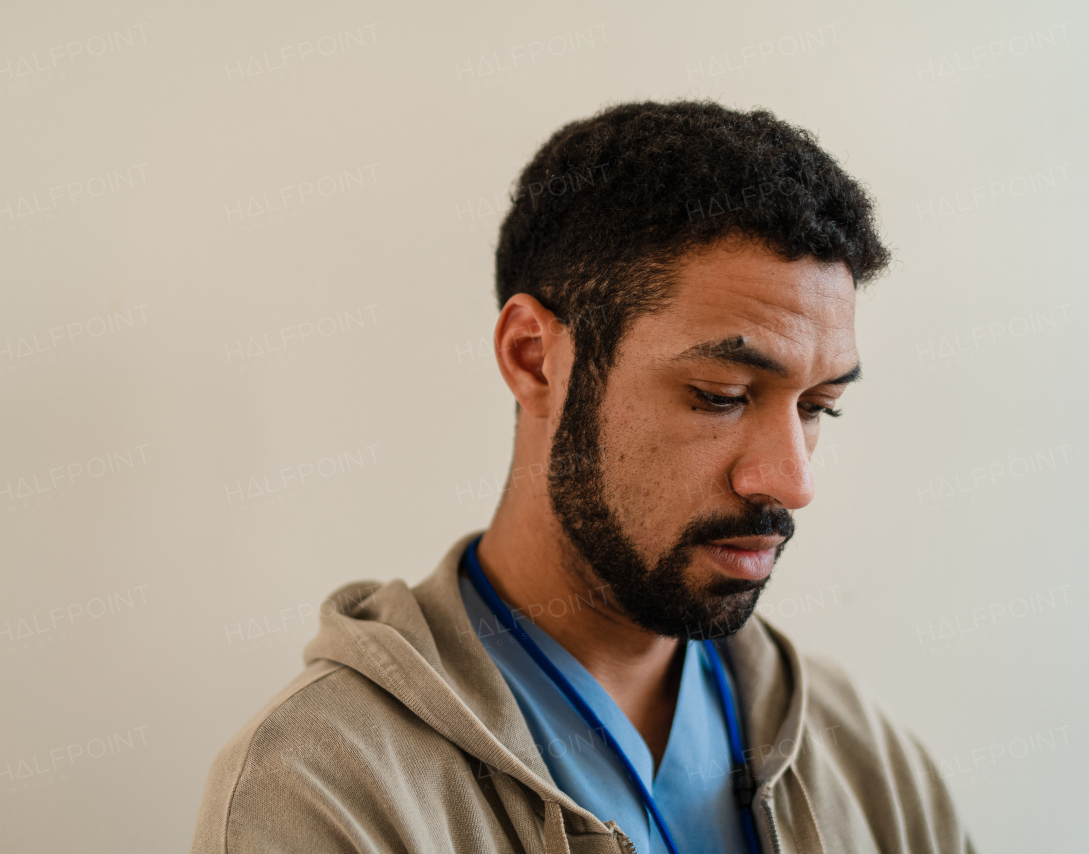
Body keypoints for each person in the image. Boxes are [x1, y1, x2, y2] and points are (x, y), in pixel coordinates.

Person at [191, 101, 975, 854]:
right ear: (535, 357)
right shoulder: (322, 789)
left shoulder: (862, 757)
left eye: (818, 407)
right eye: (721, 396)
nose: (791, 481)